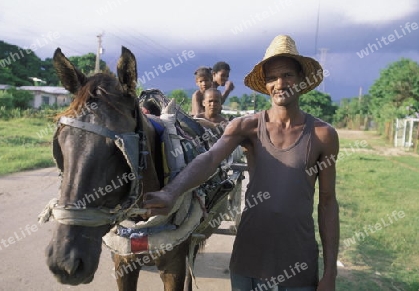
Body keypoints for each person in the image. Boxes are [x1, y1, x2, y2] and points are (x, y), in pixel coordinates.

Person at [144, 35, 340, 291]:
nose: (280, 83)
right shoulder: (247, 127)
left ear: (302, 79)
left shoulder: (322, 135)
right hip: (249, 261)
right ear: (266, 84)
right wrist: (171, 191)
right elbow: (211, 158)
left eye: (288, 75)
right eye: (272, 77)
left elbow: (327, 203)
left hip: (297, 264)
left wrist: (330, 273)